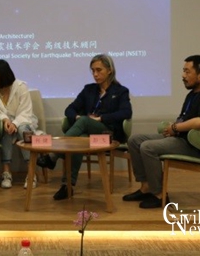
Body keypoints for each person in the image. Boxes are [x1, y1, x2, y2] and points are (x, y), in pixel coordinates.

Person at [123, 55, 200, 209]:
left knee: (147, 147)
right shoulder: (193, 94)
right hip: (183, 139)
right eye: (183, 71)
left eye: (187, 71)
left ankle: (159, 195)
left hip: (195, 146)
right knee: (134, 140)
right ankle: (146, 187)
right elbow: (185, 118)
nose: (183, 75)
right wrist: (173, 127)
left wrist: (175, 128)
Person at [38, 54, 132, 200]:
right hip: (89, 134)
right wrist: (77, 117)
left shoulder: (120, 91)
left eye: (99, 70)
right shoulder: (89, 90)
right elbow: (69, 109)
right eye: (93, 70)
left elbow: (126, 112)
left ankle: (53, 155)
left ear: (109, 70)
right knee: (79, 138)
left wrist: (101, 118)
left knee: (85, 121)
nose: (95, 74)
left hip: (109, 134)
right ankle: (67, 186)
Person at [0, 59, 41, 190]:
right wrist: (6, 120)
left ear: (3, 74)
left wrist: (15, 123)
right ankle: (6, 173)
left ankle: (31, 173)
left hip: (24, 121)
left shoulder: (21, 86)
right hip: (7, 122)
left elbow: (26, 111)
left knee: (23, 129)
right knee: (5, 130)